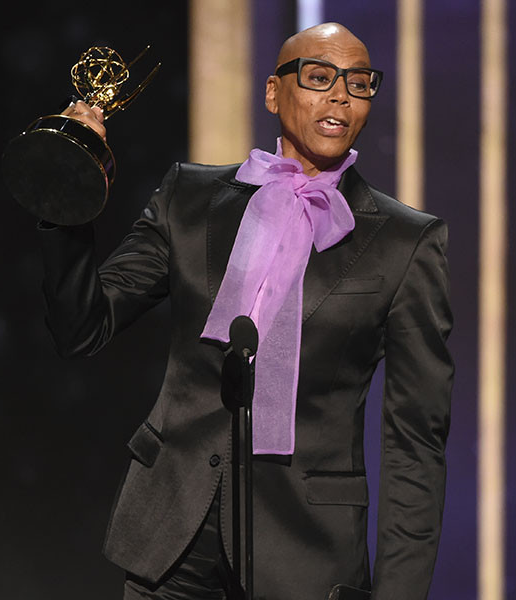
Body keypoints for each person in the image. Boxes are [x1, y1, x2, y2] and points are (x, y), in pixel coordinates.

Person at [40, 22, 454, 600]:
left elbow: (416, 445)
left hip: (305, 557)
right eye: (319, 77)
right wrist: (68, 193)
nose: (341, 95)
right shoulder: (189, 197)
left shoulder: (405, 243)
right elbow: (83, 327)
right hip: (171, 544)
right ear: (273, 93)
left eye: (359, 84)